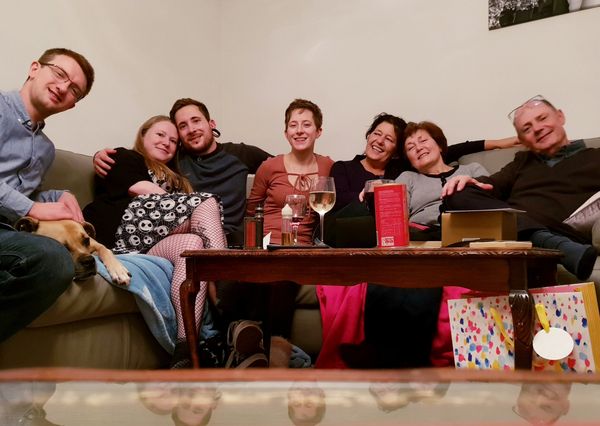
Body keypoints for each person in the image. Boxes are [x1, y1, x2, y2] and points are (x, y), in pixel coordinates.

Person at [83, 115, 227, 368]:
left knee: (191, 246)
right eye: (160, 135)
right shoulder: (125, 156)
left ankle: (185, 348)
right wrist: (189, 206)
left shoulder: (180, 181)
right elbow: (141, 190)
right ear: (143, 135)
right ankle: (226, 292)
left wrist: (184, 204)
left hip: (150, 243)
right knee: (206, 202)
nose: (167, 142)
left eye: (173, 140)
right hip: (121, 228)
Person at [217, 99, 333, 356]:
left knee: (283, 276)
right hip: (265, 243)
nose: (300, 130)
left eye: (306, 125)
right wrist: (255, 243)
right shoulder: (269, 167)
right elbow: (252, 210)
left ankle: (269, 351)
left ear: (319, 132)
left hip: (299, 248)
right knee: (252, 275)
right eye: (293, 125)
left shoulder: (327, 167)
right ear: (286, 132)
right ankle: (254, 345)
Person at [442, 95, 599, 280]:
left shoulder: (595, 157)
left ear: (560, 116)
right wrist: (467, 181)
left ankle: (543, 240)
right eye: (527, 128)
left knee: (506, 224)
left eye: (542, 118)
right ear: (522, 140)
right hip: (510, 232)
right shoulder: (522, 161)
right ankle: (544, 241)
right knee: (456, 192)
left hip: (559, 231)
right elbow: (489, 185)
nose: (538, 129)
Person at [0, 47, 95, 343]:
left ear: (71, 106)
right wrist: (32, 208)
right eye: (60, 74)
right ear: (34, 69)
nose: (63, 87)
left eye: (74, 90)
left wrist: (58, 196)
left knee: (55, 262)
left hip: (9, 232)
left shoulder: (45, 149)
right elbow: (26, 204)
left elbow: (24, 193)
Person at [93, 98, 272, 245]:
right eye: (183, 126)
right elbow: (135, 163)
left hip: (234, 239)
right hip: (185, 236)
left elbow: (285, 165)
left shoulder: (241, 154)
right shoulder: (173, 158)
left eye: (196, 121)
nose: (191, 129)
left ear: (211, 123)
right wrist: (99, 156)